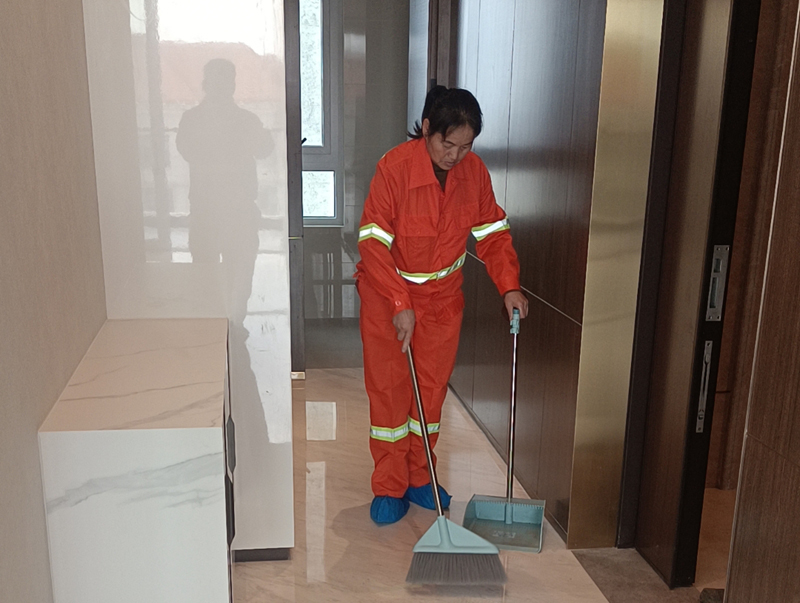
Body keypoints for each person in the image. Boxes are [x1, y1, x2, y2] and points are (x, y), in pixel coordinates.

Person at [356, 86, 529, 524]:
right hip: (387, 298)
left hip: (442, 301)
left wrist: (509, 286)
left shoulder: (475, 174)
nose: (455, 156)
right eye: (447, 144)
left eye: (466, 146)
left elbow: (492, 233)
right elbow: (373, 242)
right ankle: (389, 486)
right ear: (428, 129)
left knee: (430, 397)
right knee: (391, 396)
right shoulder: (394, 168)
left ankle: (421, 477)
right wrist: (399, 300)